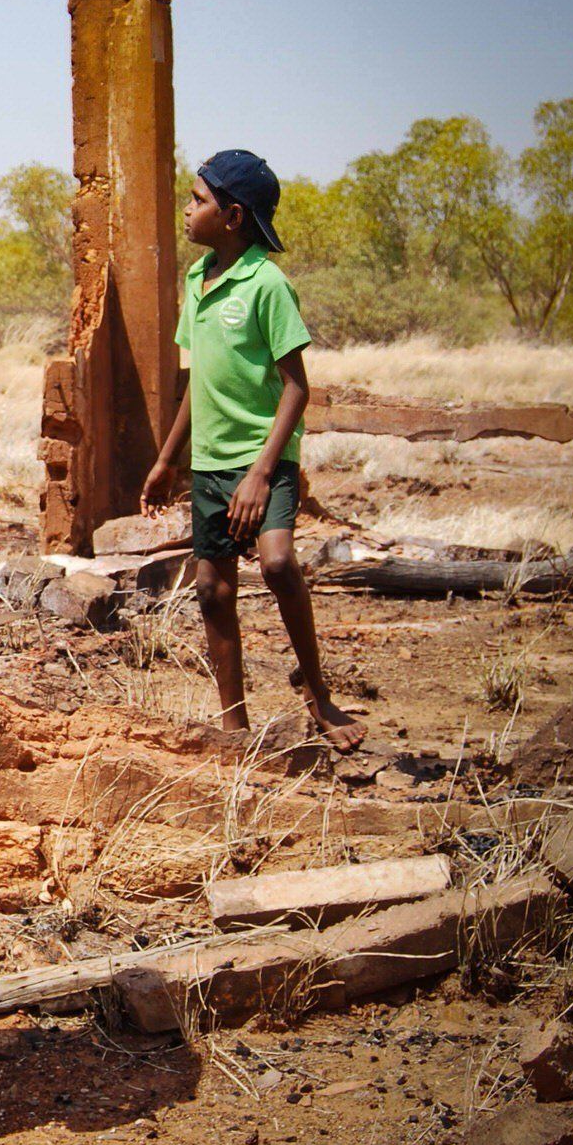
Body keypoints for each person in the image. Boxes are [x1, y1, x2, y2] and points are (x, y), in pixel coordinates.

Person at [140, 151, 366, 749]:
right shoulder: (197, 280)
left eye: (197, 200)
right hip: (211, 464)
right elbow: (201, 380)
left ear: (233, 215)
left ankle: (318, 694)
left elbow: (297, 386)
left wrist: (262, 474)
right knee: (213, 590)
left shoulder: (267, 283)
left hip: (263, 460)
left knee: (276, 565)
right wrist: (168, 460)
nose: (187, 210)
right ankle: (234, 724)